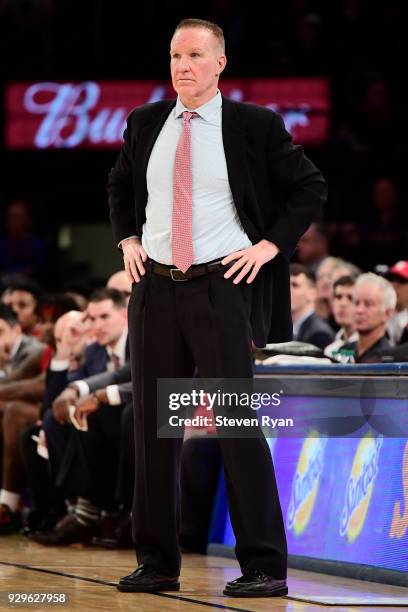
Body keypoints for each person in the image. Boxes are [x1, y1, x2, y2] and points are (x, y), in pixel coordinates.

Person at [107, 18, 327, 597]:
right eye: (176, 55)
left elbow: (310, 186)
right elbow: (119, 184)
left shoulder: (253, 124)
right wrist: (127, 238)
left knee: (234, 425)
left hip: (219, 286)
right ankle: (157, 561)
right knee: (155, 431)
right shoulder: (145, 122)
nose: (184, 65)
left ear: (220, 63)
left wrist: (270, 246)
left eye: (196, 55)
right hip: (154, 288)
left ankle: (263, 566)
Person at [341, 273, 396, 362]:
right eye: (356, 303)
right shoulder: (343, 351)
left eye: (368, 304)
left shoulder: (390, 359)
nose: (359, 310)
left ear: (387, 313)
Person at [290, 264, 335, 350]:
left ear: (312, 293)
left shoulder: (320, 334)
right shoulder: (287, 330)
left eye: (295, 285)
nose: (287, 290)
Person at [324, 275, 359, 358]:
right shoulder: (330, 350)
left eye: (350, 298)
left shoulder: (366, 349)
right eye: (338, 297)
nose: (343, 303)